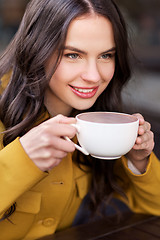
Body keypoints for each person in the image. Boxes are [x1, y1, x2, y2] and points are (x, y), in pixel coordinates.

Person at [0, 0, 159, 239]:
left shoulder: (95, 121)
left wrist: (139, 161)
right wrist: (22, 159)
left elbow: (154, 209)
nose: (94, 76)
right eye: (73, 55)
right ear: (37, 49)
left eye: (106, 55)